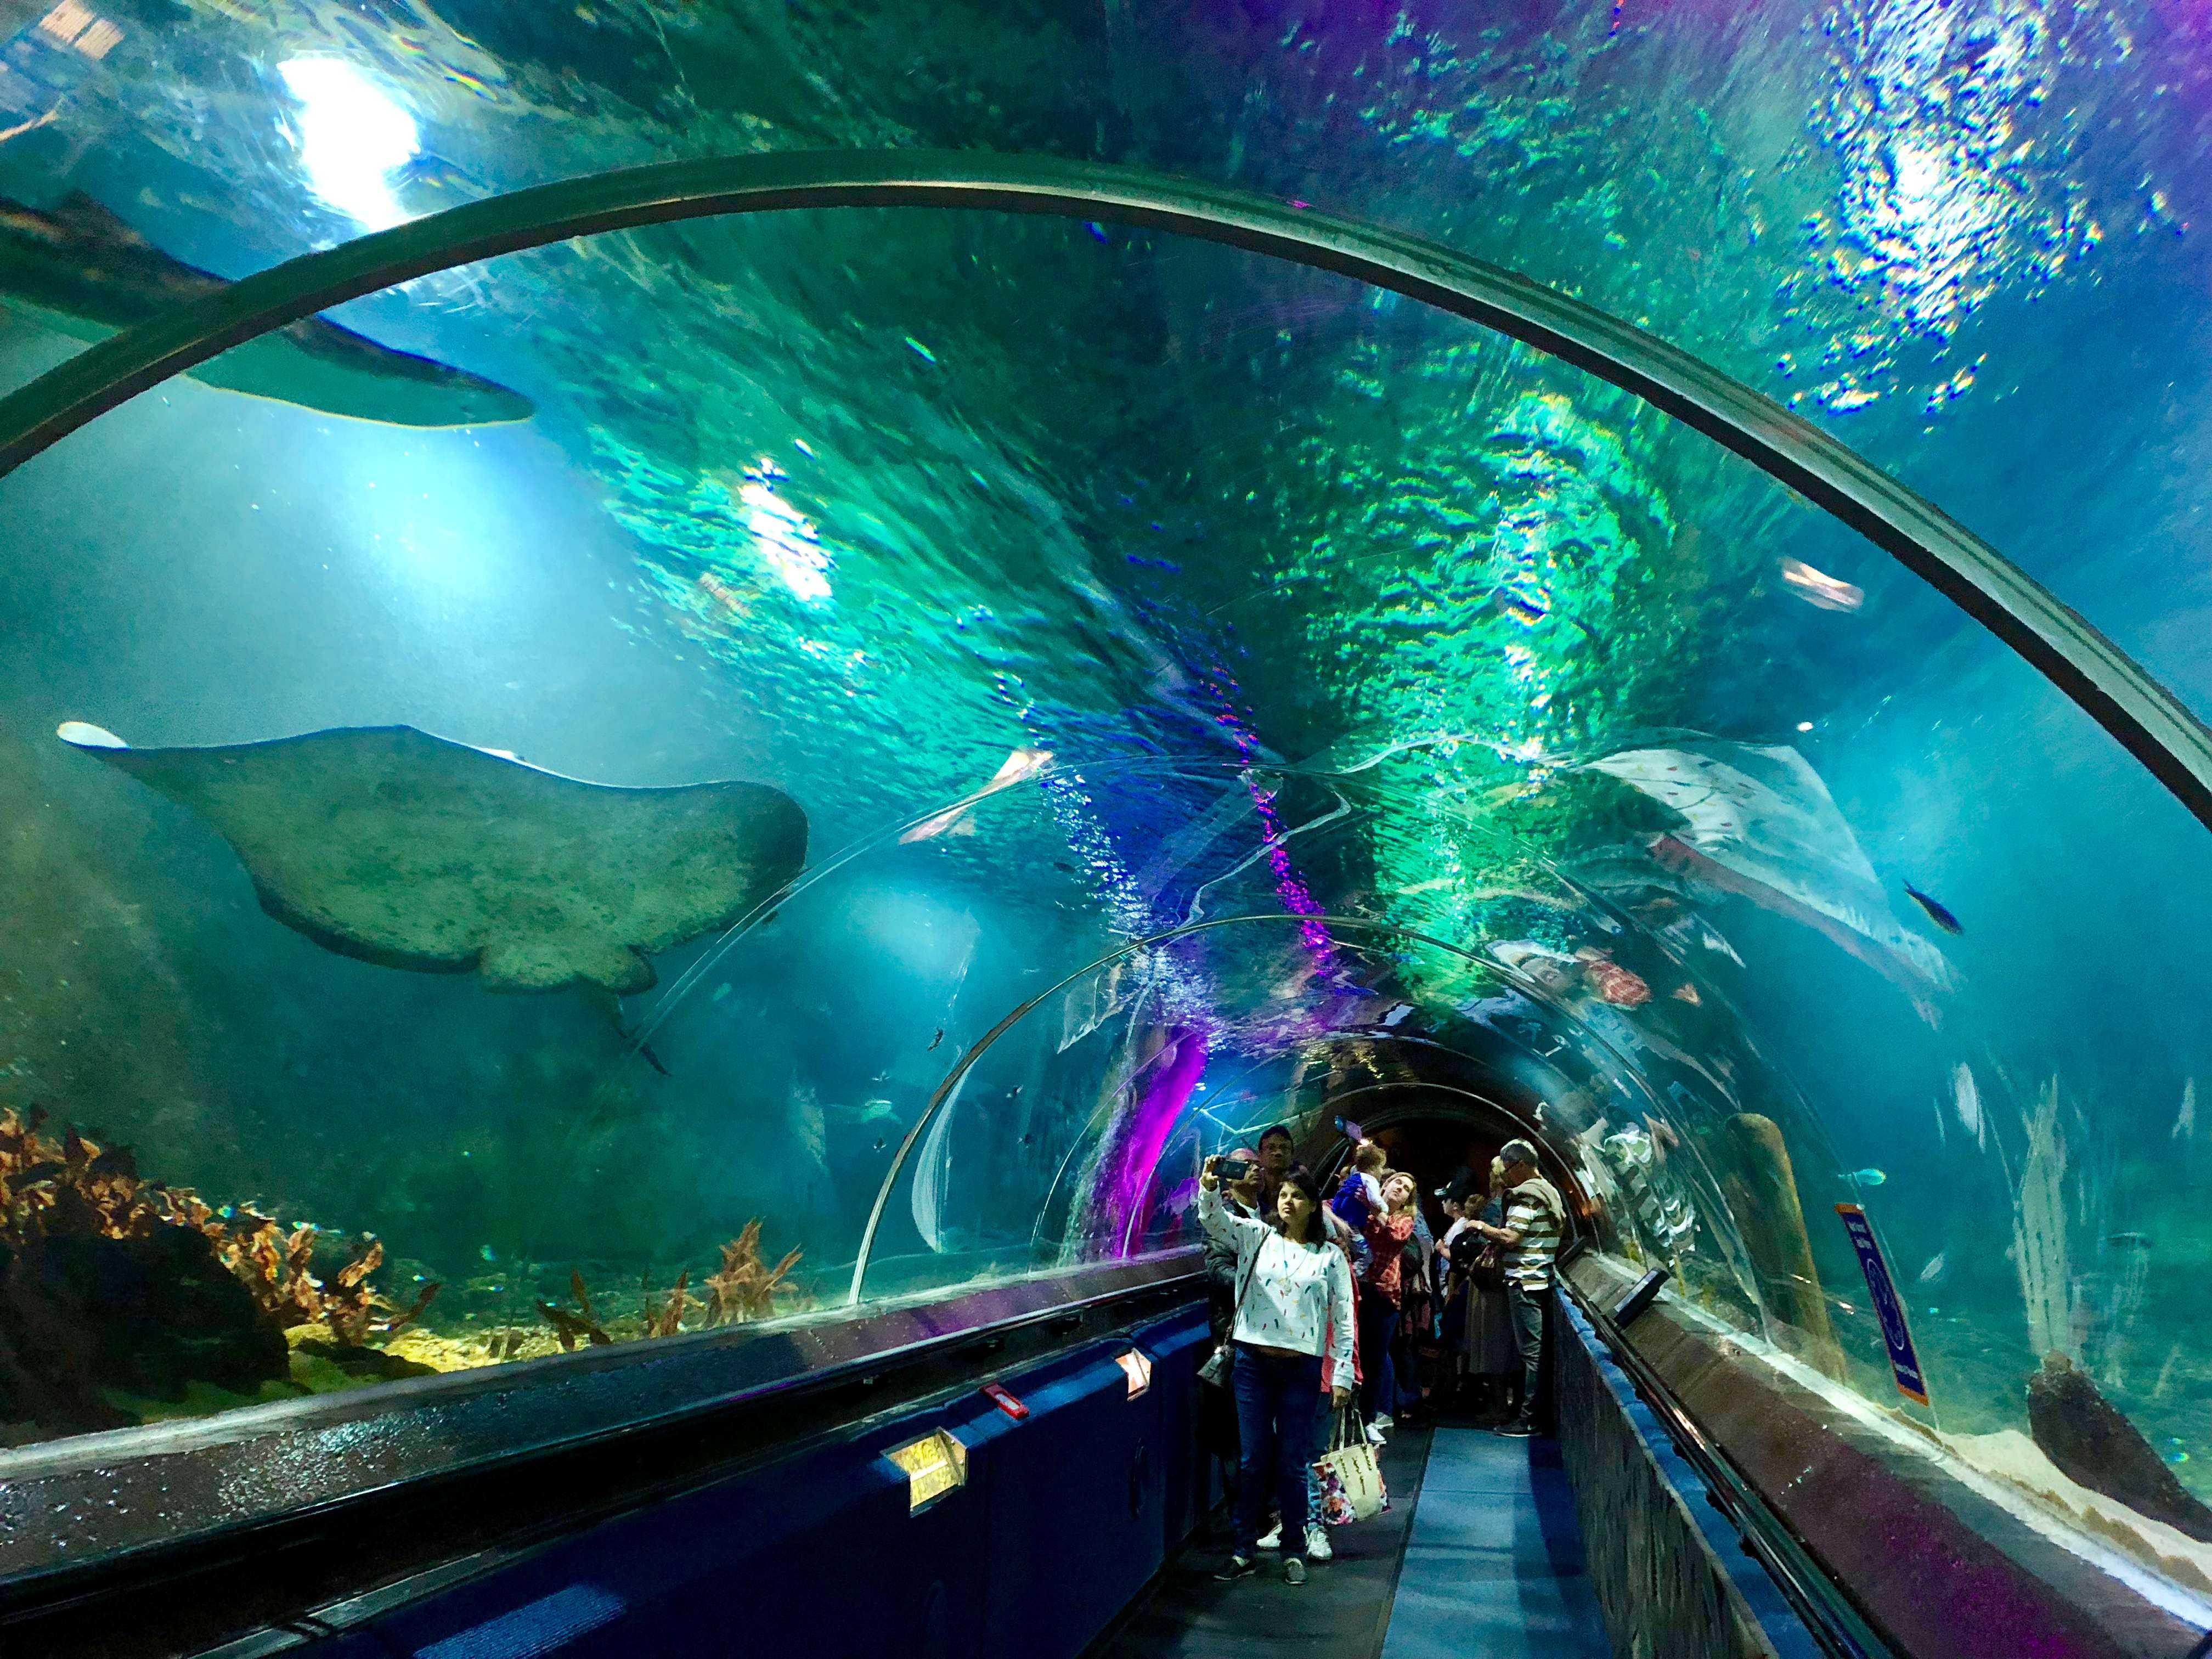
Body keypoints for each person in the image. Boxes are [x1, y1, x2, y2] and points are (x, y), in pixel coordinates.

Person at [1199, 1156, 1355, 1585]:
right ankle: (1242, 1548)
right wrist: (1210, 1187)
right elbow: (1214, 1221)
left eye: (1298, 1196)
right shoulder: (1257, 1237)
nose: (1288, 1202)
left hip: (1301, 1368)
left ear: (1312, 1205)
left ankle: (1293, 1549)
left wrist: (1341, 1373)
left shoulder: (1330, 1257)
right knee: (1252, 1461)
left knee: (1291, 1462)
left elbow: (1344, 1317)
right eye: (1284, 1194)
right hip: (1252, 1364)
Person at [1463, 1139, 1565, 1438]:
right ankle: (1532, 1416)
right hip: (1541, 1278)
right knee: (1535, 1353)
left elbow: (1511, 1237)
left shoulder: (1524, 1195)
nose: (1506, 1176)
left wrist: (1479, 1227)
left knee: (1531, 1354)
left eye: (1508, 1169)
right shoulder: (1550, 1191)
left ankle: (1529, 1420)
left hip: (1524, 1280)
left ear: (1520, 1164)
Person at [1356, 1170, 1417, 1436]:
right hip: (1356, 1290)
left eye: (1406, 1189)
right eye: (1397, 1183)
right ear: (1384, 1185)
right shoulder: (1362, 1209)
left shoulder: (1405, 1219)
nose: (1400, 1189)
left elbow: (1394, 1236)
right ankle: (1346, 1417)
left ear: (1406, 1201)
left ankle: (1369, 1419)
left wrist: (1375, 1210)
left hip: (1383, 1297)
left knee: (1375, 1362)